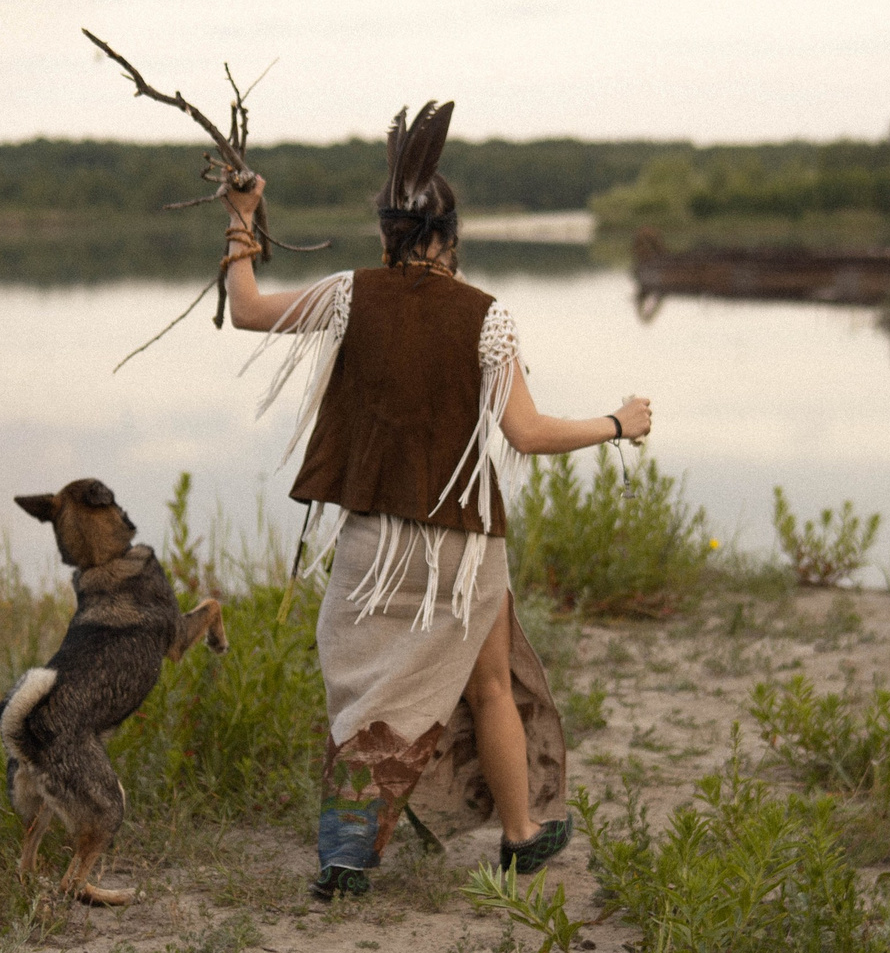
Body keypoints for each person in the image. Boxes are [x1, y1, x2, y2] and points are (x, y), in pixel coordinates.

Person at [222, 102, 653, 900]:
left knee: (367, 693)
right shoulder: (488, 317)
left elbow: (246, 308)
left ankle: (346, 854)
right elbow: (525, 432)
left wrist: (242, 224)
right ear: (450, 236)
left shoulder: (350, 296)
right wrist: (617, 425)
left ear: (386, 233)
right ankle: (522, 836)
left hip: (371, 546)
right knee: (491, 684)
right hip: (463, 548)